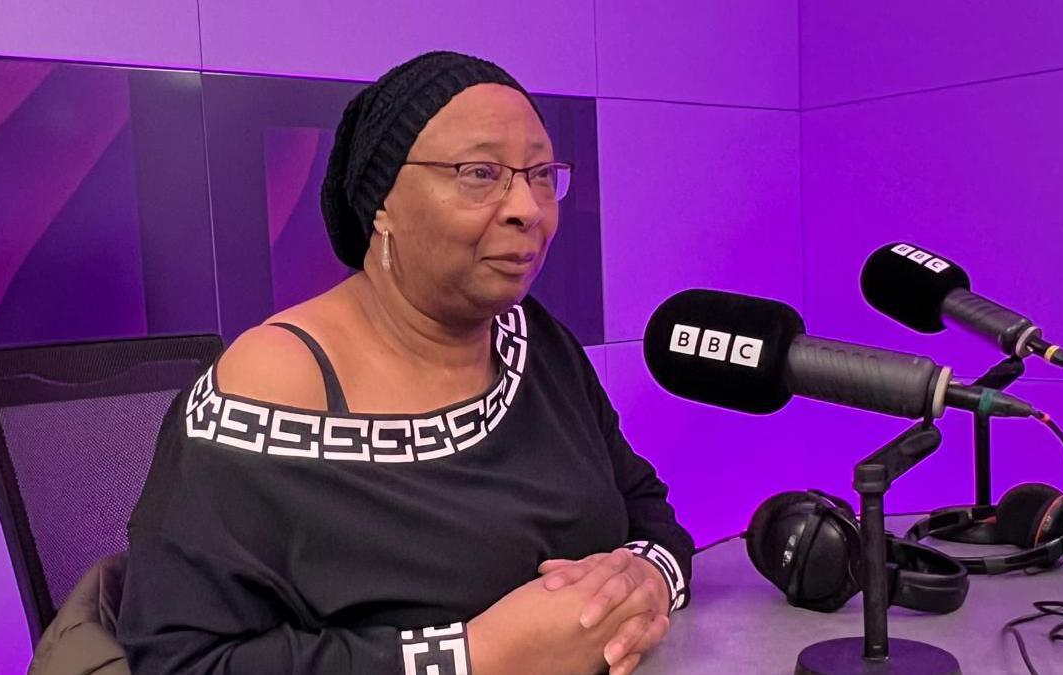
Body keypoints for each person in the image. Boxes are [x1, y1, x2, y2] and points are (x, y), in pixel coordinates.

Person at [117, 50, 694, 675]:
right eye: (481, 173)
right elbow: (181, 661)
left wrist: (645, 579)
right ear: (382, 203)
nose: (527, 208)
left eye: (540, 174)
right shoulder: (269, 388)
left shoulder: (538, 344)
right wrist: (475, 658)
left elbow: (648, 513)